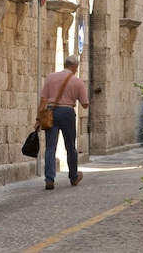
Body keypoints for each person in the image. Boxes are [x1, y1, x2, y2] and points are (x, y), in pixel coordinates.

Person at [37, 55, 89, 190]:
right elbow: (85, 104)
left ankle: (49, 179)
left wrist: (38, 119)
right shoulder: (77, 82)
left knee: (50, 147)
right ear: (74, 67)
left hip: (51, 112)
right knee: (70, 146)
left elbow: (43, 100)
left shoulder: (50, 77)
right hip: (67, 113)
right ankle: (73, 176)